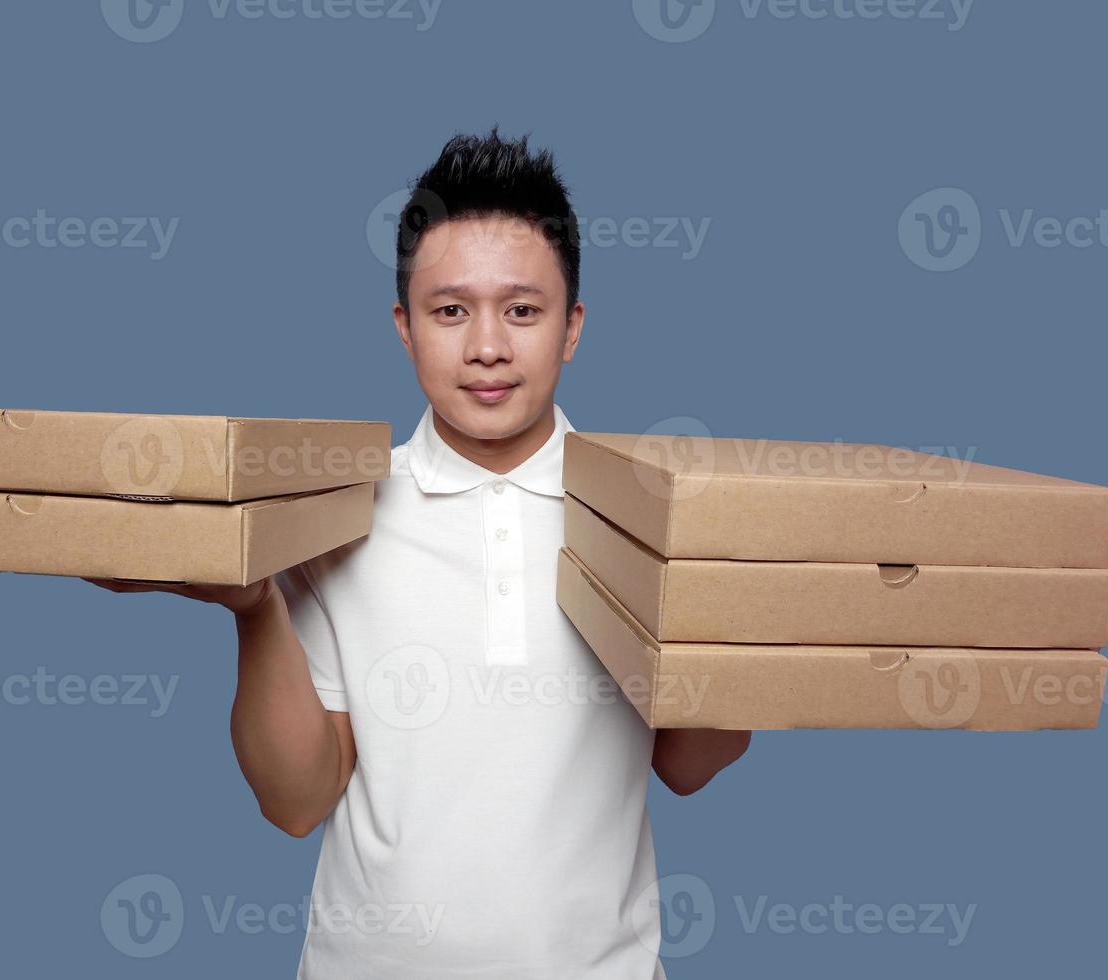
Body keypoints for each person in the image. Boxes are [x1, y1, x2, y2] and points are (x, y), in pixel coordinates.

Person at [87, 126, 751, 979]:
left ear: (572, 327)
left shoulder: (643, 515)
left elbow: (691, 763)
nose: (486, 347)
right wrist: (256, 610)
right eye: (450, 311)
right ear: (404, 326)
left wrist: (735, 601)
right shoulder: (334, 513)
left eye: (522, 310)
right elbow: (297, 802)